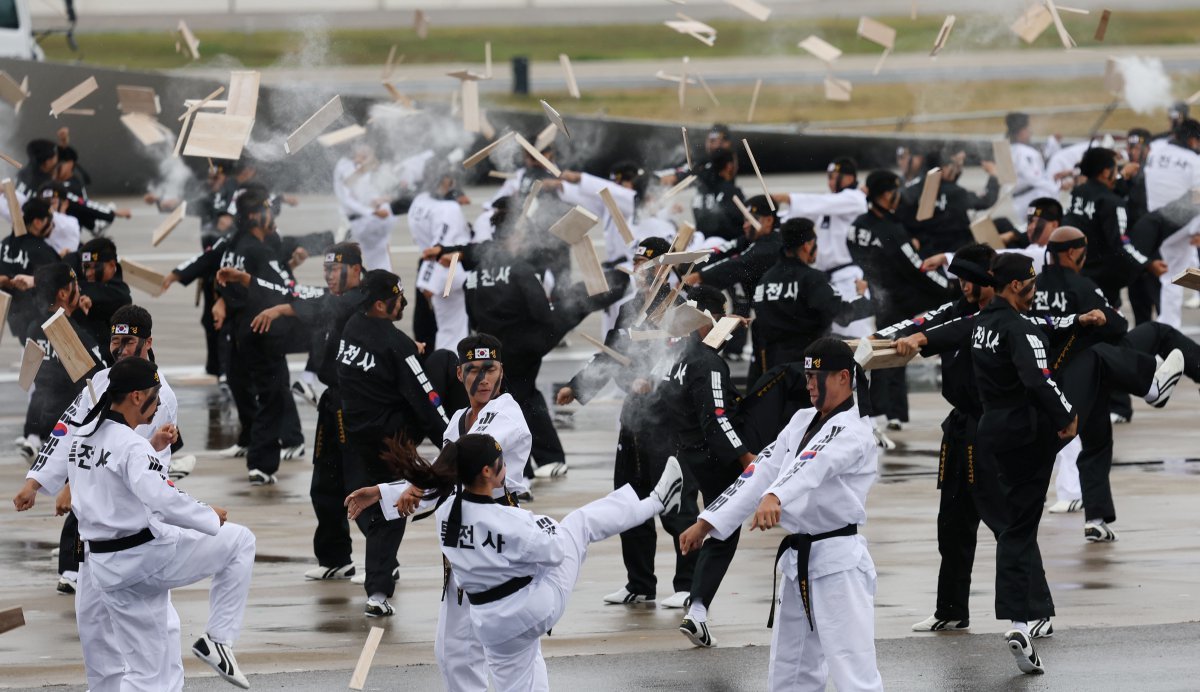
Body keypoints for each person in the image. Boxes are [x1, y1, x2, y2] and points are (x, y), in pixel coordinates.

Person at [354, 432, 683, 692]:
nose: (505, 467)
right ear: (487, 472)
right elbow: (556, 553)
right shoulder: (511, 520)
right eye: (501, 462)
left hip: (488, 621)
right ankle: (657, 501)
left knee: (521, 676)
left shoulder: (445, 512)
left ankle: (656, 500)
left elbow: (442, 492)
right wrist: (544, 527)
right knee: (579, 524)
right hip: (531, 609)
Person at [13, 357, 256, 690]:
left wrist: (153, 446)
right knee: (240, 541)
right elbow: (163, 499)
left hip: (104, 567)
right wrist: (208, 514)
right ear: (138, 397)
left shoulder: (85, 435)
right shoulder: (130, 446)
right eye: (156, 397)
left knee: (155, 673)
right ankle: (218, 639)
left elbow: (114, 477)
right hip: (142, 559)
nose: (158, 407)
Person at [678, 337, 883, 692]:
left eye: (815, 377)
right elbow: (761, 470)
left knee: (853, 669)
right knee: (791, 667)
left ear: (842, 379)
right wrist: (708, 521)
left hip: (838, 564)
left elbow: (815, 464)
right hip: (797, 562)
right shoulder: (802, 420)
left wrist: (777, 495)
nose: (808, 386)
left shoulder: (856, 431)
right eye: (805, 378)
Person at [348, 333, 532, 691]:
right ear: (459, 374)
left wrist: (417, 485)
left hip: (499, 544)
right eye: (473, 370)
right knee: (454, 652)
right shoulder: (458, 420)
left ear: (501, 372)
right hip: (463, 551)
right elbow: (443, 481)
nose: (482, 379)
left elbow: (468, 454)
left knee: (513, 653)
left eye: (490, 369)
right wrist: (385, 491)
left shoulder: (507, 412)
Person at [555, 237, 698, 609]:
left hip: (668, 420)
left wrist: (655, 379)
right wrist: (577, 386)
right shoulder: (629, 309)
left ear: (665, 270)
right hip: (634, 417)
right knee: (629, 500)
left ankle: (688, 583)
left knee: (676, 505)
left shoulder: (680, 308)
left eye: (647, 268)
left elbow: (687, 358)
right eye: (637, 267)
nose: (640, 275)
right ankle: (640, 582)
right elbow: (611, 354)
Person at [968, 253, 1077, 675]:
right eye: (1030, 286)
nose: (1034, 293)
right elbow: (1038, 378)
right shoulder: (1020, 327)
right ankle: (1019, 622)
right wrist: (1067, 413)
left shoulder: (981, 325)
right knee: (1019, 529)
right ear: (1015, 286)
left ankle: (1029, 615)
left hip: (989, 432)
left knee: (1012, 523)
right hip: (1024, 434)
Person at [238, 242, 368, 581]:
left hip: (357, 404)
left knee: (361, 483)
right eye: (324, 269)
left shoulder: (363, 300)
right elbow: (310, 300)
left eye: (334, 268)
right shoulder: (335, 300)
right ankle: (336, 558)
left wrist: (281, 307)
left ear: (356, 269)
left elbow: (321, 305)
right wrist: (278, 306)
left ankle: (385, 564)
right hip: (331, 402)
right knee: (324, 483)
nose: (328, 275)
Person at [337, 269, 449, 616]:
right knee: (391, 510)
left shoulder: (352, 326)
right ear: (383, 304)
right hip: (391, 441)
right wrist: (453, 438)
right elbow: (426, 398)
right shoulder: (396, 344)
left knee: (361, 500)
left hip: (354, 433)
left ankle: (380, 573)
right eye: (399, 298)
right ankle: (378, 593)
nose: (404, 303)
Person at [659, 285, 756, 647]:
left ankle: (697, 606)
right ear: (708, 322)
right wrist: (746, 458)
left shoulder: (681, 359)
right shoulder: (708, 363)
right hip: (714, 458)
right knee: (724, 530)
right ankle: (697, 609)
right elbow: (717, 418)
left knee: (718, 528)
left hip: (689, 454)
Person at [210, 188, 307, 483]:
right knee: (273, 393)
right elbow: (286, 287)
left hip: (242, 331)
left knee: (256, 389)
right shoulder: (258, 249)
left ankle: (256, 448)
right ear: (254, 216)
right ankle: (261, 463)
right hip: (264, 331)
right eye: (267, 209)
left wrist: (222, 299)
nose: (272, 215)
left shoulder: (239, 244)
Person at [849, 170, 953, 431]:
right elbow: (916, 269)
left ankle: (880, 409)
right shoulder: (891, 230)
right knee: (898, 350)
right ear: (886, 194)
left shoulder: (859, 225)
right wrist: (952, 289)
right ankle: (894, 412)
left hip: (878, 294)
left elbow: (860, 253)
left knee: (881, 346)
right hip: (904, 299)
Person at [751, 218, 872, 383]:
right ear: (807, 245)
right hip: (808, 371)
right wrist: (861, 295)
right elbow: (843, 315)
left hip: (773, 373)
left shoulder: (765, 280)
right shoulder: (811, 279)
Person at [770, 157, 871, 340]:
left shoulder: (855, 199)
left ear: (848, 178)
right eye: (829, 177)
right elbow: (802, 215)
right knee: (830, 338)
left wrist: (788, 198)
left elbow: (820, 203)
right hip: (826, 279)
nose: (830, 182)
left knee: (854, 336)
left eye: (833, 177)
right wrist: (771, 218)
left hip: (849, 277)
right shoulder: (829, 204)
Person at [1062, 147, 1164, 308]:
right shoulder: (1113, 203)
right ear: (1104, 172)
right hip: (1103, 280)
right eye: (1115, 168)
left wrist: (1121, 176)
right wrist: (1148, 264)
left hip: (1077, 272)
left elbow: (1103, 191)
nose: (1118, 172)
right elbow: (1120, 244)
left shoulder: (1078, 193)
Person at [22, 263, 104, 460]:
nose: (80, 288)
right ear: (63, 294)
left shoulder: (34, 328)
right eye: (74, 284)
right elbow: (100, 379)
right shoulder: (75, 335)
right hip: (69, 427)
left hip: (39, 421)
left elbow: (29, 378)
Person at [408, 166, 472, 351]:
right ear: (443, 181)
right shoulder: (448, 209)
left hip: (428, 265)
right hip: (447, 267)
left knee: (429, 327)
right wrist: (429, 283)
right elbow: (440, 245)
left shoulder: (420, 201)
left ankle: (436, 367)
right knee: (453, 327)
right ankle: (450, 369)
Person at [1, 199, 63, 341]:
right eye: (50, 220)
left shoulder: (5, 244)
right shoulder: (42, 251)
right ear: (37, 222)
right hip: (41, 323)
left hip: (16, 319)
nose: (52, 225)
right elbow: (61, 278)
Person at [333, 140, 397, 271]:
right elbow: (347, 198)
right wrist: (371, 212)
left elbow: (367, 192)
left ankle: (384, 283)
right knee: (344, 265)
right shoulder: (345, 167)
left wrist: (381, 199)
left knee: (381, 260)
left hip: (370, 221)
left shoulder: (364, 169)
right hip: (353, 222)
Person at [72, 237, 132, 358]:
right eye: (86, 267)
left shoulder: (120, 294)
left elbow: (100, 293)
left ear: (111, 265)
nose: (89, 273)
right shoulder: (83, 285)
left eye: (95, 267)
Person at [1005, 112, 1059, 220]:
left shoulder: (1008, 150)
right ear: (1020, 132)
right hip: (1033, 202)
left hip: (1019, 203)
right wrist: (1058, 186)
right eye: (1027, 129)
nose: (1030, 133)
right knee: (1047, 222)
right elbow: (1036, 179)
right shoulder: (1026, 153)